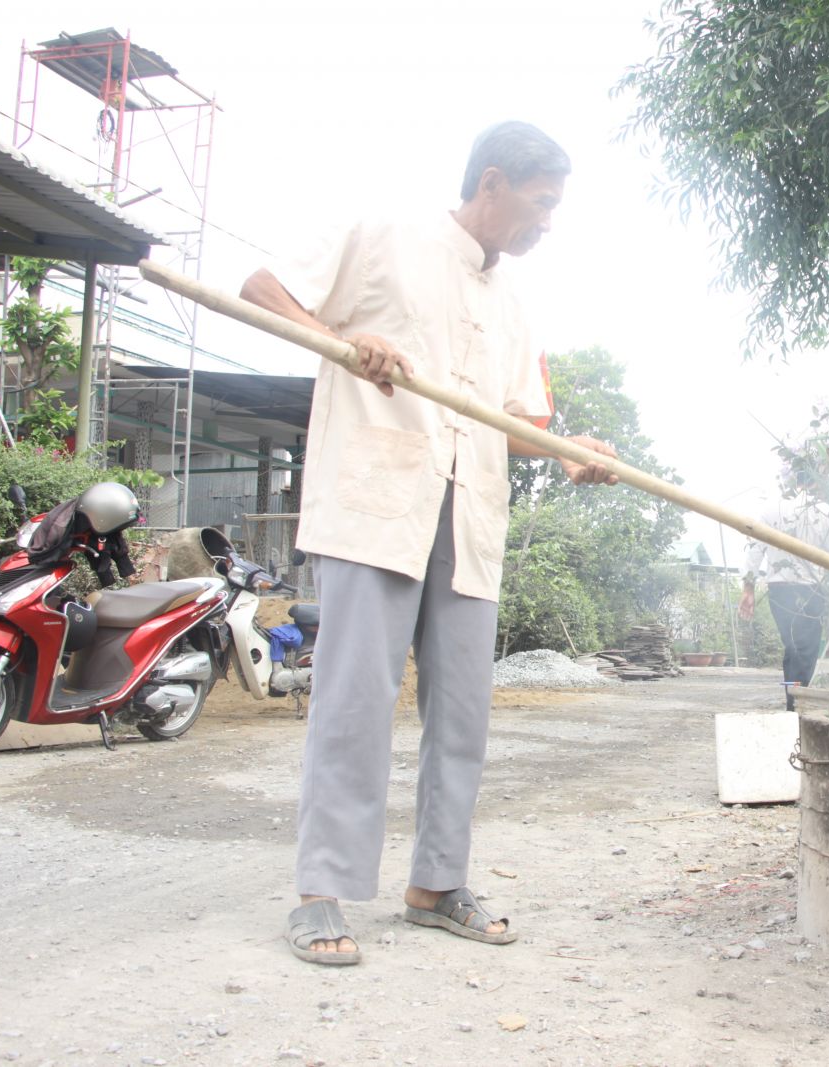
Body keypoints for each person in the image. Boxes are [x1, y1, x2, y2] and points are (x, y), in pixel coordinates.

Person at [241, 121, 619, 966]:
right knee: (353, 702)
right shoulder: (384, 237)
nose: (548, 223)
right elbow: (263, 288)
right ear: (493, 183)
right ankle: (322, 891)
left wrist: (572, 456)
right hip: (377, 501)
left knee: (462, 714)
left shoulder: (512, 304)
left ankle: (437, 883)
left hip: (469, 517)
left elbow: (521, 424)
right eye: (542, 203)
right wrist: (346, 342)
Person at [738, 467, 829, 710]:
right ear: (816, 483)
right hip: (810, 590)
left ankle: (793, 701)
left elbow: (755, 549)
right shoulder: (824, 511)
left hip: (780, 591)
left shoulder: (772, 509)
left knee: (793, 648)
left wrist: (748, 588)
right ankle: (797, 702)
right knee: (805, 651)